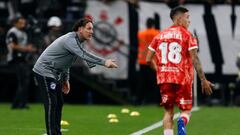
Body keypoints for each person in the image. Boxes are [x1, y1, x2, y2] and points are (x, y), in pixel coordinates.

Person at [33, 18, 117, 135]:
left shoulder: (77, 41)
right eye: (89, 28)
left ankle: (56, 132)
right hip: (44, 71)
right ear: (80, 29)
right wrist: (104, 62)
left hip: (54, 73)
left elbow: (66, 62)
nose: (91, 31)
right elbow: (84, 55)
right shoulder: (70, 39)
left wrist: (66, 79)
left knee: (59, 102)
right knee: (52, 103)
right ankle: (53, 133)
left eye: (92, 29)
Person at [146, 6, 213, 135]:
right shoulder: (188, 35)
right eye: (187, 18)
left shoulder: (160, 35)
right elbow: (195, 59)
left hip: (165, 79)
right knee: (186, 111)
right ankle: (182, 121)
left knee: (168, 112)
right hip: (182, 78)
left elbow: (148, 59)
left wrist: (160, 72)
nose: (189, 21)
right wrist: (203, 80)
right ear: (179, 18)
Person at [6, 16, 36, 109]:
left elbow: (25, 44)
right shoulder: (12, 32)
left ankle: (21, 104)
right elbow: (12, 46)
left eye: (24, 23)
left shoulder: (23, 32)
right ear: (15, 23)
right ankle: (17, 104)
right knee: (22, 82)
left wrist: (30, 48)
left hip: (23, 59)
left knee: (25, 82)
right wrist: (27, 48)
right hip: (15, 59)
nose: (23, 24)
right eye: (21, 23)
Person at [136, 17, 160, 105]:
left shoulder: (140, 34)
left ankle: (138, 101)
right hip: (153, 61)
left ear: (146, 24)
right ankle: (158, 101)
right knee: (156, 82)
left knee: (142, 83)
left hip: (143, 60)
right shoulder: (157, 33)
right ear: (153, 24)